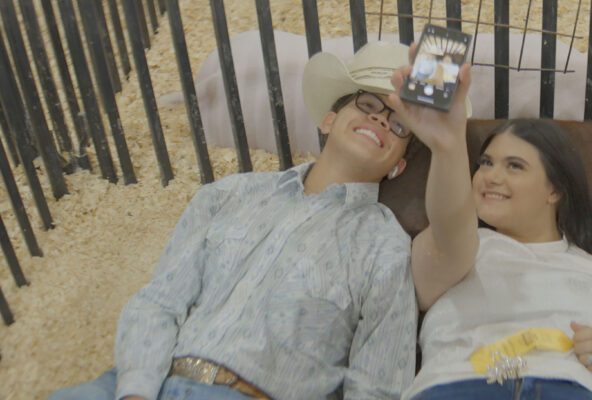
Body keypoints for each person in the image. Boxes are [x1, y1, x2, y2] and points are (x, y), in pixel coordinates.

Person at [50, 41, 423, 400]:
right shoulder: (228, 194)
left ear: (399, 166)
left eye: (399, 124)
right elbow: (160, 301)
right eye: (368, 103)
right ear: (328, 120)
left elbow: (379, 383)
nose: (379, 118)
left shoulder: (384, 245)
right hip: (140, 380)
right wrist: (136, 391)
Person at [386, 46, 592, 399]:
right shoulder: (462, 248)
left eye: (514, 166)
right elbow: (449, 226)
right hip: (464, 387)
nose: (490, 176)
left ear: (555, 190)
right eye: (485, 163)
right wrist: (449, 146)